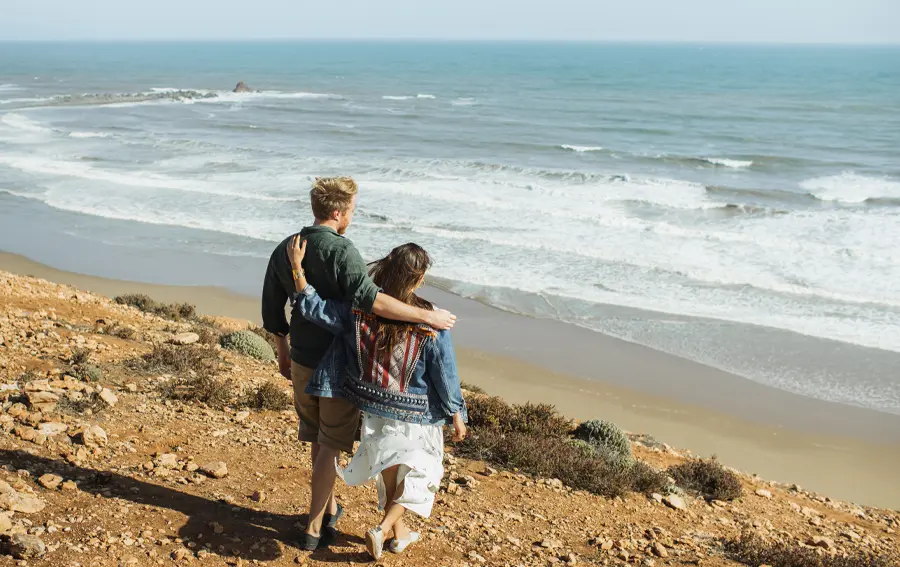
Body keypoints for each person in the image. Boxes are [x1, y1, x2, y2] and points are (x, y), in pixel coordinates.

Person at [261, 177, 458, 550]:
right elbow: (371, 302)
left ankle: (331, 508)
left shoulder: (287, 247)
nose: (353, 215)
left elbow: (273, 302)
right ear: (338, 212)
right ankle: (315, 527)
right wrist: (426, 318)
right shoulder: (343, 252)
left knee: (318, 441)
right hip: (336, 366)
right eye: (352, 209)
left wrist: (282, 346)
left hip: (301, 356)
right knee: (329, 444)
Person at [287, 235, 467, 560]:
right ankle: (383, 529)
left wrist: (298, 271)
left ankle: (400, 535)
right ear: (419, 278)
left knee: (390, 469)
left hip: (373, 409)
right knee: (424, 473)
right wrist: (456, 412)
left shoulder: (360, 311)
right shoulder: (432, 320)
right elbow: (445, 372)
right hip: (416, 414)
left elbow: (316, 309)